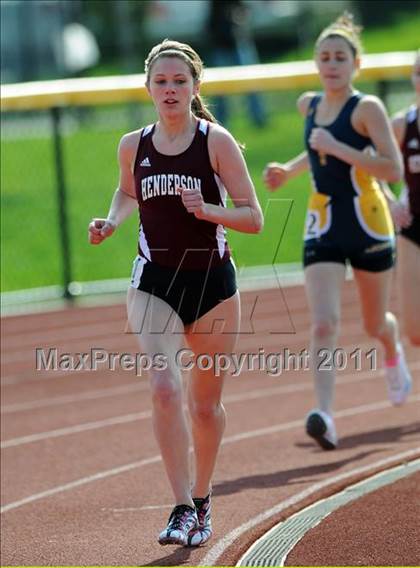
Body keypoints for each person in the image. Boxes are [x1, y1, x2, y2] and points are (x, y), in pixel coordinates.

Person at [89, 39, 263, 546]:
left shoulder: (216, 142)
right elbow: (127, 191)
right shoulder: (132, 145)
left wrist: (208, 210)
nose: (170, 90)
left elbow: (254, 217)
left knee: (204, 407)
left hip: (212, 284)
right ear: (147, 88)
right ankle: (182, 506)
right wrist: (112, 221)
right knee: (165, 387)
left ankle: (203, 498)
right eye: (161, 82)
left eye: (179, 81)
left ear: (194, 87)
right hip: (155, 281)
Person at [263, 13, 412, 451]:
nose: (331, 64)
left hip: (367, 218)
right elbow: (315, 150)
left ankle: (391, 348)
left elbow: (393, 168)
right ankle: (325, 414)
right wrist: (288, 171)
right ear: (316, 63)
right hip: (323, 222)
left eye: (340, 57)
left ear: (355, 64)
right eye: (324, 57)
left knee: (373, 322)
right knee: (324, 323)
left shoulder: (368, 108)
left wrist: (340, 148)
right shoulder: (308, 105)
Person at [390, 51, 420, 346]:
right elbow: (371, 167)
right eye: (418, 73)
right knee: (414, 331)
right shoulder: (401, 125)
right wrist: (390, 202)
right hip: (413, 227)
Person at [206, 0, 267, 127]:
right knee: (219, 88)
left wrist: (239, 18)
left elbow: (244, 10)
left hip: (238, 42)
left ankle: (258, 118)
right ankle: (219, 122)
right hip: (220, 43)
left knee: (251, 82)